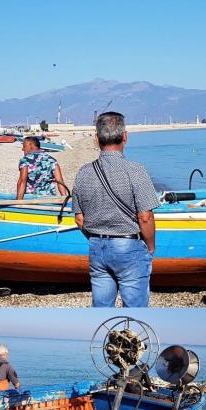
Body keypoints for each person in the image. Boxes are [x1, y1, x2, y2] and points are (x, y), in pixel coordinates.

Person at [71, 112, 159, 307]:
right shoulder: (136, 170)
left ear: (97, 139)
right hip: (129, 246)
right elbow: (145, 217)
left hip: (97, 245)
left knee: (101, 308)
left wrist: (96, 237)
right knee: (135, 311)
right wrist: (150, 246)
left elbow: (79, 219)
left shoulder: (84, 172)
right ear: (125, 137)